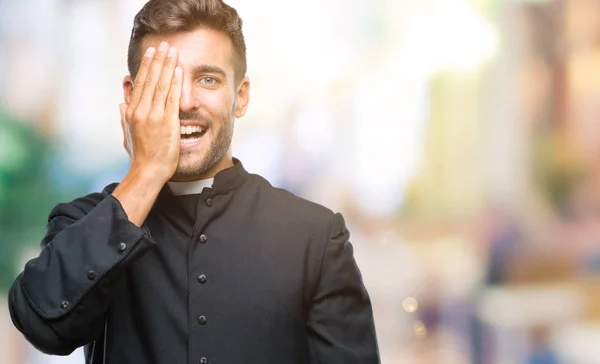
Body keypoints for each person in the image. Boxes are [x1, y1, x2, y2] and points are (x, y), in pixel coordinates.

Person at [7, 0, 380, 363]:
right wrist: (146, 171)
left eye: (208, 79)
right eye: (165, 81)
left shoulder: (315, 235)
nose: (185, 101)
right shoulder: (81, 222)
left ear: (241, 96)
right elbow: (44, 326)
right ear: (132, 96)